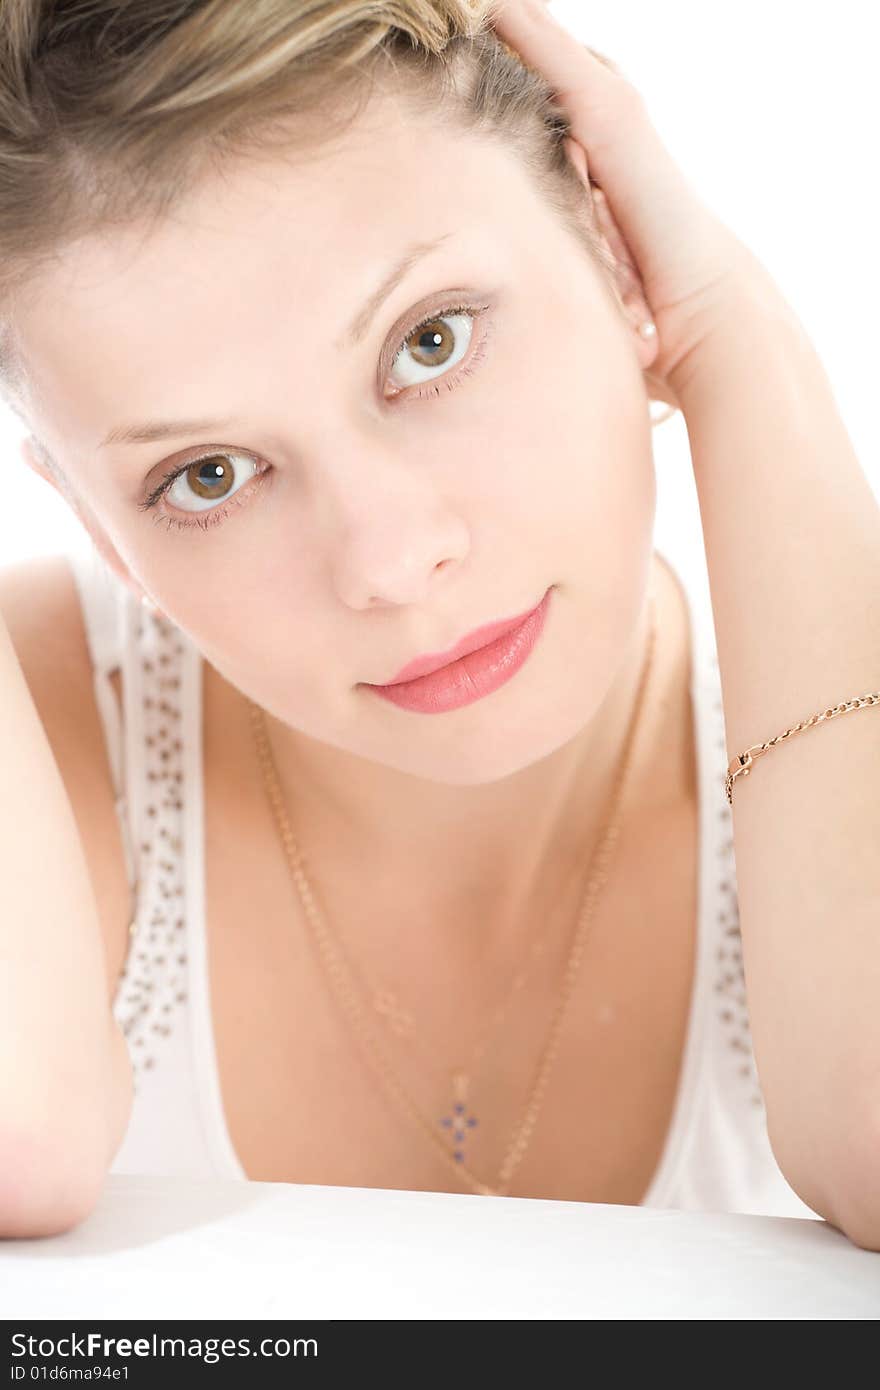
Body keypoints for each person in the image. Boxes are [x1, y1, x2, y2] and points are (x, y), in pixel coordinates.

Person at [0, 0, 855, 1237]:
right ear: (93, 524)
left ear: (617, 250)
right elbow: (17, 1143)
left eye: (431, 342)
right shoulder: (51, 724)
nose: (391, 564)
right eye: (208, 475)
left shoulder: (832, 700)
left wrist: (740, 339)